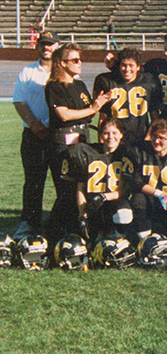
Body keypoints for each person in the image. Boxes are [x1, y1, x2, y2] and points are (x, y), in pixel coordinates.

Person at [44, 43, 112, 243]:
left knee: (82, 187)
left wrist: (96, 106)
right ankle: (55, 233)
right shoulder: (54, 86)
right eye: (75, 60)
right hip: (64, 140)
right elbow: (64, 115)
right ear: (62, 63)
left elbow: (88, 113)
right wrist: (93, 108)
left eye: (80, 59)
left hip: (83, 138)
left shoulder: (80, 85)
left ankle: (79, 231)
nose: (79, 63)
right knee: (66, 190)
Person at [12, 30, 60, 239]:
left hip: (58, 134)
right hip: (33, 135)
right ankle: (29, 223)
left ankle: (60, 223)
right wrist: (35, 125)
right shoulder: (27, 71)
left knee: (62, 182)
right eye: (43, 44)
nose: (46, 47)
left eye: (50, 44)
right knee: (33, 181)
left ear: (57, 46)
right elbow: (19, 101)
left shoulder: (64, 70)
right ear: (37, 46)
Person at [68, 118, 135, 243]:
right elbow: (80, 188)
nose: (110, 137)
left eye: (114, 133)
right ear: (100, 135)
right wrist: (82, 215)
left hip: (113, 203)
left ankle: (118, 236)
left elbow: (125, 190)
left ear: (121, 134)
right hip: (91, 205)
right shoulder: (87, 152)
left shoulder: (126, 153)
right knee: (87, 241)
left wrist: (104, 197)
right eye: (106, 133)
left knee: (124, 214)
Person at [93, 47, 162, 143]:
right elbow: (103, 118)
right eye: (124, 65)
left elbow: (155, 117)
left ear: (138, 67)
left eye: (131, 65)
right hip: (114, 138)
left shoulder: (149, 82)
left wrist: (148, 138)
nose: (127, 69)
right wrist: (101, 143)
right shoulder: (107, 81)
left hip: (140, 138)